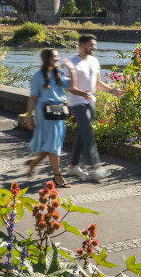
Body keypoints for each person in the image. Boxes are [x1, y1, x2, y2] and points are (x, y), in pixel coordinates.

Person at [64, 34, 124, 181]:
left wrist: (112, 91)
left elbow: (97, 83)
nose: (94, 48)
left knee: (82, 133)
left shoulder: (94, 61)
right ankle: (96, 167)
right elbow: (69, 87)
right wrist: (82, 94)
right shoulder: (72, 63)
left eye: (95, 45)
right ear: (82, 45)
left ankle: (72, 167)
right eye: (92, 45)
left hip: (90, 102)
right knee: (88, 131)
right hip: (77, 103)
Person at [24, 48, 82, 187]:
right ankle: (58, 177)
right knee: (54, 145)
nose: (57, 58)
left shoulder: (59, 73)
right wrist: (29, 117)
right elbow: (33, 98)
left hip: (58, 111)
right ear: (47, 58)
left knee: (53, 144)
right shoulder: (38, 76)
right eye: (55, 56)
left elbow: (72, 86)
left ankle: (33, 164)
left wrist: (72, 70)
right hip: (44, 113)